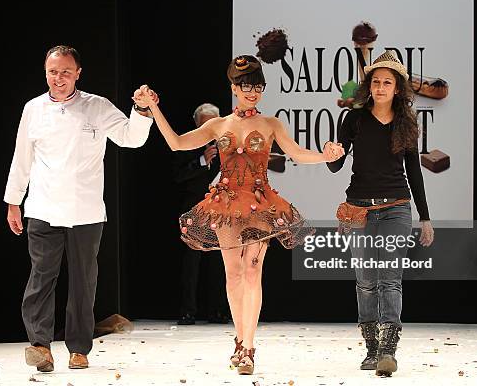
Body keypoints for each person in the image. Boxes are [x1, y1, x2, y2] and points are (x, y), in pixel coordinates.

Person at [134, 55, 343, 375]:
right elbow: (176, 143)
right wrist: (153, 108)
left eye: (258, 87)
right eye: (246, 86)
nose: (252, 92)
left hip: (260, 202)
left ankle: (249, 346)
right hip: (226, 205)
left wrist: (325, 156)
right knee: (233, 272)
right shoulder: (219, 125)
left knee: (253, 269)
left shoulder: (271, 124)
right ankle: (239, 340)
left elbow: (297, 153)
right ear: (234, 88)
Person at [4, 45, 156, 372]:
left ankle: (78, 348)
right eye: (53, 72)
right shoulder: (33, 109)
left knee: (83, 282)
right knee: (41, 277)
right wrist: (13, 200)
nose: (59, 78)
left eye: (65, 72)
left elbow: (132, 138)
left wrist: (142, 112)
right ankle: (40, 345)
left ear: (78, 73)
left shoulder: (96, 107)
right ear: (46, 73)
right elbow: (22, 158)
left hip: (86, 211)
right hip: (43, 207)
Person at [326, 50, 434, 376]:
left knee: (390, 280)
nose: (381, 87)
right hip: (358, 209)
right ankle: (371, 348)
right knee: (366, 282)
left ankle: (389, 349)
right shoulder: (354, 119)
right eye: (376, 82)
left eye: (388, 82)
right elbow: (335, 165)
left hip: (396, 208)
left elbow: (414, 172)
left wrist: (425, 218)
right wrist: (331, 153)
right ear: (369, 86)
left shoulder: (406, 122)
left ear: (397, 88)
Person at [173, 103, 228, 325]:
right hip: (193, 212)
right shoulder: (186, 145)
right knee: (190, 264)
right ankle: (188, 311)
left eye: (212, 123)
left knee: (218, 263)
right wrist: (202, 161)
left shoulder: (227, 146)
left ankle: (217, 310)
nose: (208, 128)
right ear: (196, 125)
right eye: (203, 124)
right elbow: (177, 176)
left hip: (220, 213)